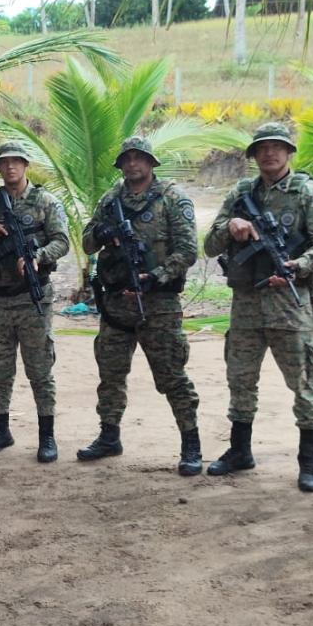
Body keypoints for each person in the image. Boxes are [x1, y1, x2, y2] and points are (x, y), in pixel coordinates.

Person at [202, 122, 313, 490]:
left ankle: (309, 462)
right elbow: (210, 246)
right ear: (254, 155)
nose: (269, 153)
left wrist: (298, 267)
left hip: (291, 309)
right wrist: (232, 226)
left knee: (304, 385)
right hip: (246, 305)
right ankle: (240, 451)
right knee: (240, 379)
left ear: (289, 152)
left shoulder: (307, 193)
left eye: (277, 147)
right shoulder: (241, 193)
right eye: (262, 148)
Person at [76, 136, 202, 473]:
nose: (133, 164)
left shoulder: (171, 199)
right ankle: (109, 436)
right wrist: (104, 233)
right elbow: (87, 241)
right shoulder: (111, 199)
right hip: (117, 303)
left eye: (139, 158)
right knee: (111, 374)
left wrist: (157, 275)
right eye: (127, 159)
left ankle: (191, 444)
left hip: (158, 303)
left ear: (150, 162)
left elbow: (188, 250)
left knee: (171, 375)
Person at [0, 141, 70, 463]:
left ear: (26, 165)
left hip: (31, 299)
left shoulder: (45, 202)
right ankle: (1, 430)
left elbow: (62, 241)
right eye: (4, 163)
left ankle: (46, 436)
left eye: (16, 162)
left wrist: (38, 256)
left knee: (40, 369)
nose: (10, 167)